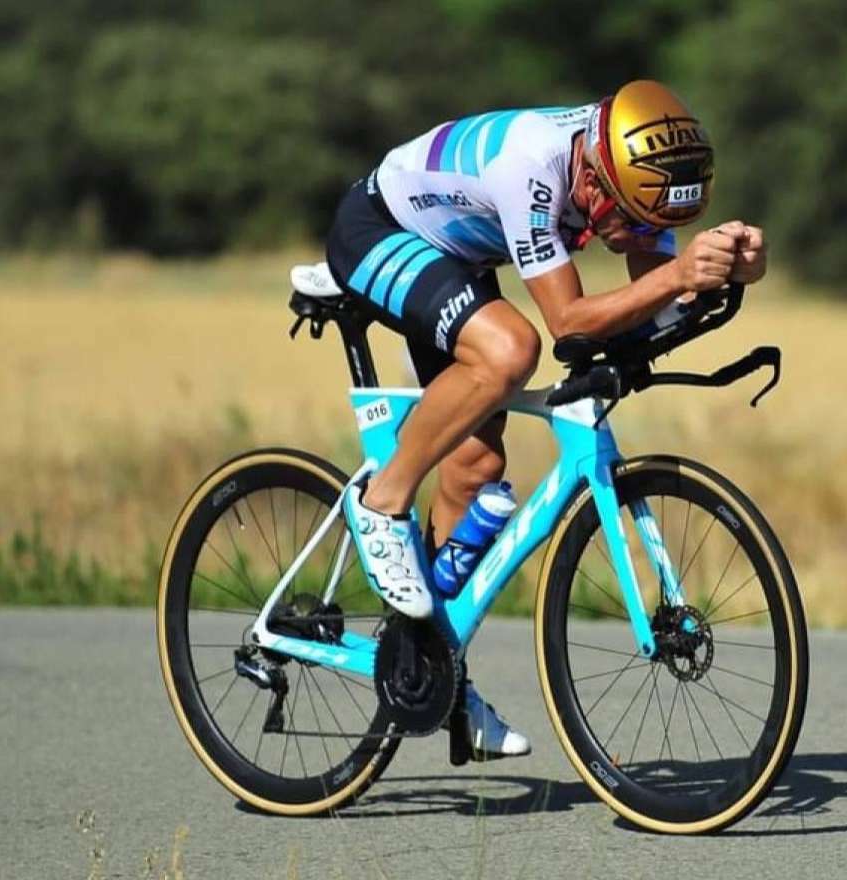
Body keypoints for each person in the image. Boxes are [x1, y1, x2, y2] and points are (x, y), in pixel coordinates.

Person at [324, 80, 767, 759]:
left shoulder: (629, 174)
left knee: (476, 463)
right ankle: (381, 502)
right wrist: (678, 277)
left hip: (457, 256)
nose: (632, 237)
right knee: (511, 350)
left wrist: (728, 274)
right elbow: (569, 323)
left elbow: (655, 305)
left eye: (646, 227)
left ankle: (432, 664)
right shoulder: (532, 165)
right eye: (625, 222)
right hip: (380, 230)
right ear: (593, 180)